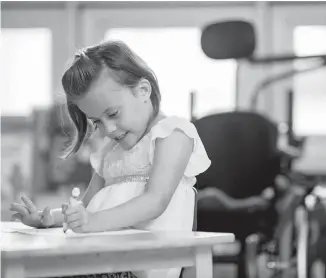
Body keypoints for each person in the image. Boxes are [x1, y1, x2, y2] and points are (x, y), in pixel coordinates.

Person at [10, 40, 211, 278]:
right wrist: (49, 219)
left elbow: (155, 201)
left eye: (113, 114)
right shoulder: (109, 152)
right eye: (97, 122)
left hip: (140, 268)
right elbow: (84, 208)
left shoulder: (172, 134)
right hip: (103, 260)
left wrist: (92, 222)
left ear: (143, 90)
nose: (109, 129)